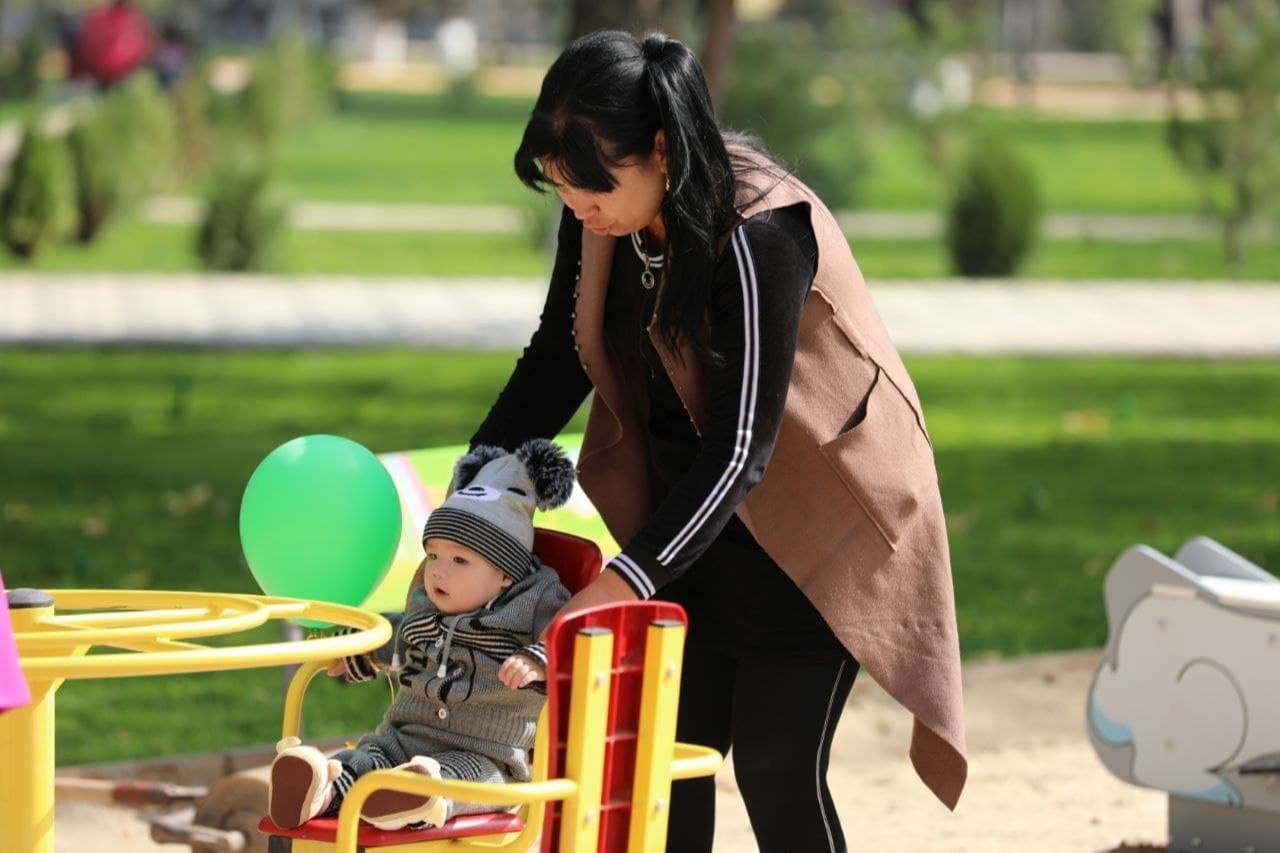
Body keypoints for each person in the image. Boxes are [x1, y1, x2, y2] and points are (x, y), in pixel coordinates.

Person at [464, 30, 968, 852]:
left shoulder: (761, 231)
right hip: (692, 520)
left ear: (661, 149)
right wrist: (473, 485)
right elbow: (559, 354)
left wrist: (624, 580)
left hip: (820, 526)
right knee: (665, 760)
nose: (577, 207)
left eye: (591, 185)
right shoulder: (601, 212)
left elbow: (742, 448)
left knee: (776, 762)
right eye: (561, 188)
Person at [267, 440, 574, 831]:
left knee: (468, 780)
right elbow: (398, 637)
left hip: (486, 753)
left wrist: (539, 658)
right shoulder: (426, 610)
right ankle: (322, 788)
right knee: (368, 758)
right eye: (433, 555)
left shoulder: (531, 605)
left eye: (460, 560)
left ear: (504, 574)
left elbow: (569, 633)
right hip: (405, 738)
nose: (439, 571)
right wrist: (356, 650)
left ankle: (419, 795)